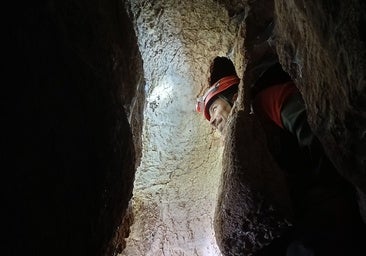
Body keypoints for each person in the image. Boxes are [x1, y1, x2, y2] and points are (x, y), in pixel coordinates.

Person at [196, 56, 365, 255]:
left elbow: (313, 130)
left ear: (234, 97)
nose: (213, 121)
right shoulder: (245, 147)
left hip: (328, 196)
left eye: (214, 109)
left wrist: (322, 185)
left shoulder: (266, 102)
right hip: (300, 214)